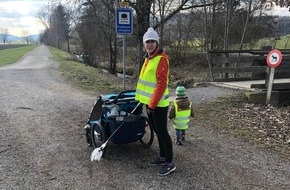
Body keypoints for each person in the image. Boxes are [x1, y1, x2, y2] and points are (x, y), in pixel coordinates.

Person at [135, 27, 176, 176]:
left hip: (158, 105)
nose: (150, 44)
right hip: (150, 103)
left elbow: (161, 84)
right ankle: (162, 157)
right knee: (157, 131)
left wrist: (151, 105)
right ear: (144, 44)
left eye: (152, 42)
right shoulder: (148, 58)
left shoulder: (161, 60)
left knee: (163, 132)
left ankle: (169, 163)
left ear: (157, 43)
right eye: (147, 42)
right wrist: (143, 101)